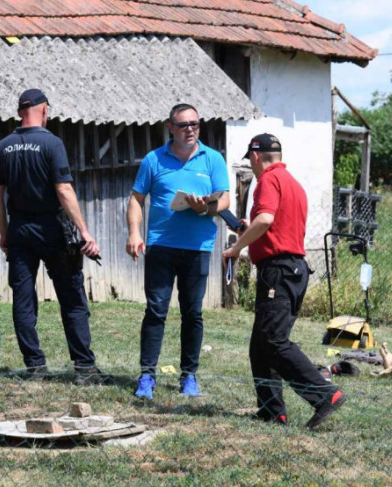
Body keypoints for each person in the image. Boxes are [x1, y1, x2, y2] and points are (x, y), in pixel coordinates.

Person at [223, 134, 345, 429]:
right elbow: (274, 225)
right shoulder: (293, 183)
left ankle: (325, 394)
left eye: (250, 161)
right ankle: (271, 411)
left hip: (278, 270)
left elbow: (265, 220)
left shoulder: (268, 180)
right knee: (260, 344)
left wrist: (237, 248)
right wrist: (246, 228)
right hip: (293, 270)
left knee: (274, 341)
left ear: (255, 157)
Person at [0, 88, 108, 385]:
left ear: (20, 112)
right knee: (71, 297)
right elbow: (64, 189)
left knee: (23, 299)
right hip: (53, 231)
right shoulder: (52, 143)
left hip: (19, 230)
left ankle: (35, 366)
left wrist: (4, 233)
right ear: (43, 110)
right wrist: (84, 232)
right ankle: (84, 368)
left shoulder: (3, 147)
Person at [126, 103, 230, 399]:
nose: (190, 130)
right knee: (155, 310)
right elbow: (136, 199)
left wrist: (205, 207)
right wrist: (134, 232)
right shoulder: (154, 159)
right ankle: (147, 376)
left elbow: (224, 200)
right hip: (161, 245)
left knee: (192, 313)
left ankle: (189, 377)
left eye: (195, 124)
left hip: (198, 247)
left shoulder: (212, 159)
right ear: (170, 127)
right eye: (183, 125)